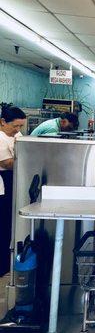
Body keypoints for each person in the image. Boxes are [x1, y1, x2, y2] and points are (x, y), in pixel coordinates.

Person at [0, 105, 26, 275]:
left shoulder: (15, 134)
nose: (18, 130)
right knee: (3, 225)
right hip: (4, 182)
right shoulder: (1, 138)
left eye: (20, 126)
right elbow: (6, 163)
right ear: (3, 122)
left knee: (9, 224)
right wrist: (28, 160)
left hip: (13, 182)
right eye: (15, 126)